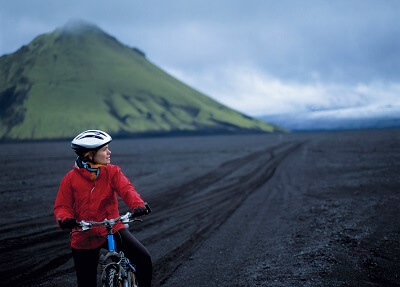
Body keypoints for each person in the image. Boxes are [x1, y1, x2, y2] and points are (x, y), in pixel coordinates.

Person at [54, 130, 152, 287]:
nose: (109, 152)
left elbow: (127, 190)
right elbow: (62, 206)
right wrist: (65, 219)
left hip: (112, 228)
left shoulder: (112, 172)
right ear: (90, 154)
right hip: (84, 234)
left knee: (143, 258)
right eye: (105, 149)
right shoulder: (70, 179)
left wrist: (138, 205)